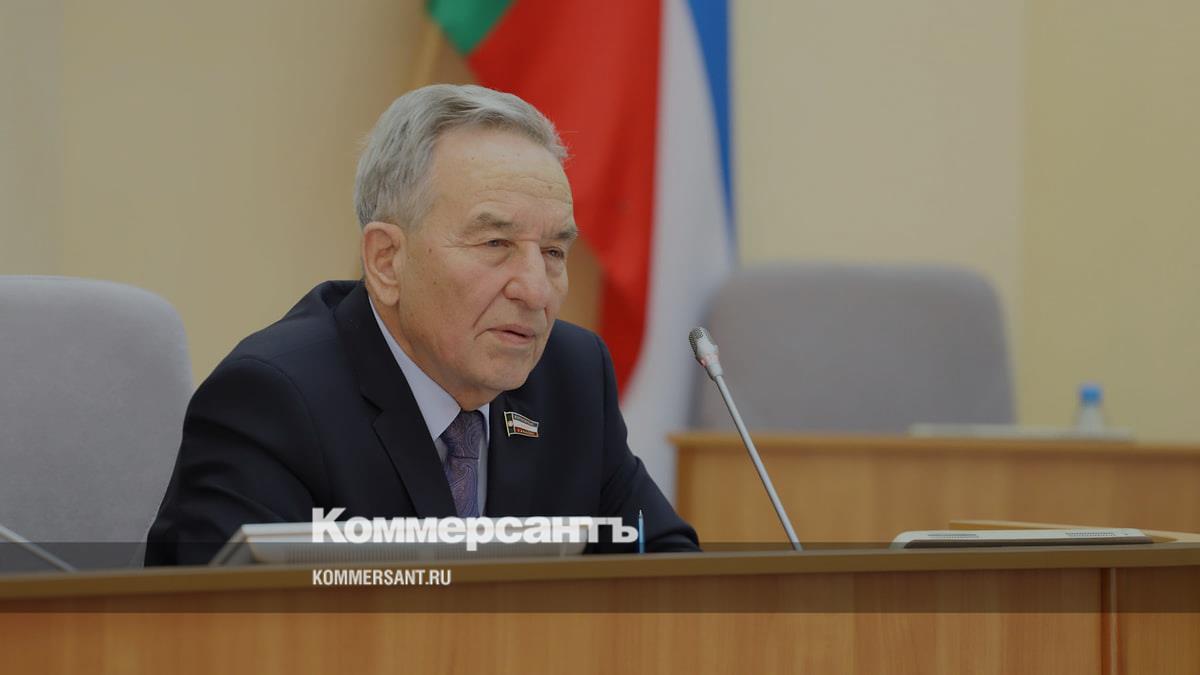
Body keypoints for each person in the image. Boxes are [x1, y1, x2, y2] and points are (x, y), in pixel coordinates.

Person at [145, 84, 700, 565]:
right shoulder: (274, 402)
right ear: (387, 260)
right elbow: (227, 628)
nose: (535, 291)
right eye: (495, 243)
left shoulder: (571, 376)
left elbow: (668, 576)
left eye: (554, 252)